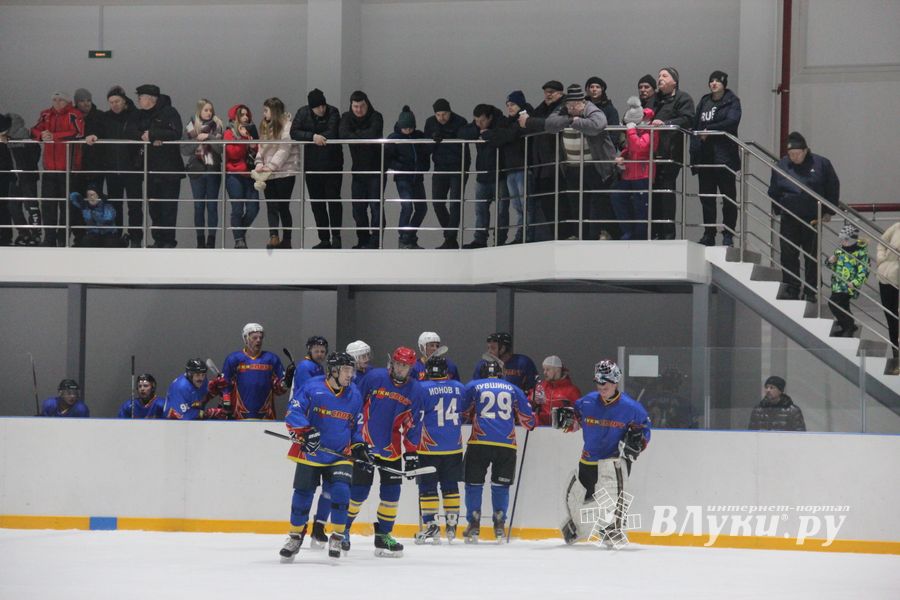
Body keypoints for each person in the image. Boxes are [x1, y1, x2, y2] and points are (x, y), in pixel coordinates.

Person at [279, 351, 366, 562]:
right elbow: (293, 412)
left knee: (341, 491)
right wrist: (306, 431)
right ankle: (294, 536)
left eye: (351, 370)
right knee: (302, 495)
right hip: (311, 452)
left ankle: (337, 535)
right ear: (333, 370)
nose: (350, 375)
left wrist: (359, 445)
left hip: (340, 454)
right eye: (346, 370)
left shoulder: (354, 394)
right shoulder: (312, 387)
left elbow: (357, 425)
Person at [554, 360, 650, 547]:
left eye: (604, 383)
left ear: (615, 382)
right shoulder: (586, 402)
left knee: (613, 498)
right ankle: (578, 527)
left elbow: (645, 430)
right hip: (588, 459)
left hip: (614, 463)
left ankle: (613, 530)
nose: (601, 387)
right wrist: (566, 424)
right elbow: (575, 424)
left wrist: (638, 441)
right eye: (598, 382)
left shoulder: (632, 408)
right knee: (578, 497)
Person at [343, 346, 423, 557]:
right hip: (365, 445)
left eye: (404, 365)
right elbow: (355, 404)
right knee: (358, 492)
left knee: (391, 494)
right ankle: (343, 530)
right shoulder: (374, 377)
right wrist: (353, 438)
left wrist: (412, 453)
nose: (400, 368)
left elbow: (412, 423)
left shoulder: (416, 390)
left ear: (410, 367)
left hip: (392, 450)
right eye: (398, 363)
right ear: (392, 362)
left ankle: (383, 536)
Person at [461, 358, 534, 543]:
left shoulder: (474, 385)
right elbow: (528, 420)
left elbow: (462, 412)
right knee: (501, 486)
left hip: (479, 442)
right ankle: (500, 523)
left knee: (473, 484)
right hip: (506, 445)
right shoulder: (513, 388)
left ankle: (474, 522)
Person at [769, 131, 840, 301]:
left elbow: (833, 186)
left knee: (811, 256)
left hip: (812, 218)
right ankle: (791, 287)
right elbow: (774, 190)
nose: (794, 157)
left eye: (797, 154)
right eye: (791, 154)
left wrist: (829, 211)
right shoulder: (782, 166)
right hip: (789, 217)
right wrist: (778, 209)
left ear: (805, 150)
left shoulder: (822, 164)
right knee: (788, 254)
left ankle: (811, 290)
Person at [542, 83, 618, 240]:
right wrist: (571, 119)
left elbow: (597, 124)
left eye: (575, 105)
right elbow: (549, 124)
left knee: (597, 203)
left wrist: (576, 122)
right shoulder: (564, 110)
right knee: (576, 204)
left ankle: (598, 234)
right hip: (573, 167)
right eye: (569, 104)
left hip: (594, 166)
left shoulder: (592, 109)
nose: (571, 108)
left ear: (583, 103)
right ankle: (581, 235)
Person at [410, 356, 466, 544]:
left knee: (428, 486)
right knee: (451, 486)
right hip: (454, 446)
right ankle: (452, 523)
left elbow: (414, 414)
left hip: (428, 447)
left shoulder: (421, 388)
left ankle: (431, 525)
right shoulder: (459, 387)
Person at [691, 70, 742, 247]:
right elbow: (695, 125)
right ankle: (709, 233)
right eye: (711, 81)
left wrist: (710, 131)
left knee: (728, 198)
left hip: (724, 157)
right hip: (705, 157)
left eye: (717, 81)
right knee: (707, 198)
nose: (714, 84)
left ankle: (728, 234)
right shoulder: (705, 101)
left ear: (724, 84)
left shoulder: (732, 101)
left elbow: (731, 122)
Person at [290, 89, 343, 249]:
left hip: (332, 165)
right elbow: (294, 132)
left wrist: (314, 136)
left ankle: (336, 236)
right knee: (317, 204)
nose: (321, 109)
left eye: (323, 105)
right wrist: (313, 137)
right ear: (311, 107)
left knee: (333, 200)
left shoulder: (333, 111)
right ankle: (324, 238)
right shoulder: (302, 112)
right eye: (317, 107)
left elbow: (333, 132)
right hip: (312, 167)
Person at [31, 91, 85, 247]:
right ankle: (49, 239)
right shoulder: (46, 114)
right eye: (54, 99)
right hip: (49, 168)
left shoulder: (74, 114)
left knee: (66, 206)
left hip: (68, 169)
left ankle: (62, 239)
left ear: (66, 101)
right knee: (48, 205)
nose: (56, 102)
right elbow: (34, 129)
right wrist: (42, 135)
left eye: (60, 99)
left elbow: (78, 132)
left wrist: (54, 136)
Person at [92, 86, 143, 247]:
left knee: (135, 205)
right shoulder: (105, 118)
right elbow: (97, 131)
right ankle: (116, 236)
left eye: (117, 101)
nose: (114, 105)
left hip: (132, 168)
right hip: (112, 168)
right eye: (111, 102)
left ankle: (136, 238)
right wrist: (93, 135)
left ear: (124, 101)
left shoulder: (135, 116)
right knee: (115, 205)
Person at [649, 67, 695, 240]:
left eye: (664, 75)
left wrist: (666, 123)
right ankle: (654, 232)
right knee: (653, 193)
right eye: (658, 75)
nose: (659, 78)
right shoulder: (654, 100)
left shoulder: (683, 98)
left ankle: (668, 234)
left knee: (666, 192)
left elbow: (689, 119)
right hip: (652, 153)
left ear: (674, 81)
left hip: (670, 153)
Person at [481, 92, 533, 244]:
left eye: (513, 105)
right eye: (508, 105)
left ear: (520, 105)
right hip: (511, 168)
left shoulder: (525, 118)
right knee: (518, 206)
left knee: (525, 205)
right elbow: (503, 136)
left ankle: (525, 236)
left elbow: (511, 135)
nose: (510, 108)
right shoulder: (508, 121)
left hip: (523, 167)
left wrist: (492, 135)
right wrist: (496, 135)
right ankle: (520, 235)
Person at [135, 84, 183, 248]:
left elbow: (177, 133)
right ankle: (158, 240)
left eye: (140, 97)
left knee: (168, 207)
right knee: (153, 207)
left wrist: (154, 134)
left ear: (150, 98)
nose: (139, 100)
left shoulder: (170, 112)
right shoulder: (141, 115)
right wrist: (145, 136)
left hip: (169, 170)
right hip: (150, 169)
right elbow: (132, 131)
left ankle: (168, 241)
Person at [520, 80, 565, 241]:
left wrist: (529, 122)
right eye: (546, 91)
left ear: (560, 92)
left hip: (556, 164)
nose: (548, 94)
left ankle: (559, 235)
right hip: (541, 164)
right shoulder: (542, 107)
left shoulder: (563, 107)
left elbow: (550, 124)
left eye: (552, 91)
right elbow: (530, 124)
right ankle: (546, 236)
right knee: (544, 203)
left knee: (557, 203)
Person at [339, 90, 384, 249]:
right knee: (358, 208)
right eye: (355, 106)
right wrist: (361, 137)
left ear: (367, 104)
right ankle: (363, 240)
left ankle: (376, 240)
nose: (358, 110)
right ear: (351, 106)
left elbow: (372, 134)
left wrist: (355, 135)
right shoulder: (346, 117)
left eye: (362, 106)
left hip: (376, 170)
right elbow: (343, 134)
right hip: (358, 171)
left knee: (375, 206)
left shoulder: (376, 116)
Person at [424, 99, 470, 250]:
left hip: (457, 167)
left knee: (455, 203)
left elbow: (464, 147)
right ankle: (450, 237)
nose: (441, 118)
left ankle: (450, 238)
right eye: (438, 115)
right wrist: (434, 139)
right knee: (437, 203)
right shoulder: (430, 123)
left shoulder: (460, 122)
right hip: (440, 167)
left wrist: (445, 137)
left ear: (450, 112)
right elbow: (426, 146)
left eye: (444, 114)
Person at [217, 322, 289, 420]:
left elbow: (280, 390)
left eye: (260, 337)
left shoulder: (272, 359)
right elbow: (225, 385)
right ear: (246, 338)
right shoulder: (233, 359)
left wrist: (287, 381)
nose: (258, 340)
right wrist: (226, 404)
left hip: (266, 415)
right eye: (254, 338)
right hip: (239, 415)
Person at [460, 103, 507, 248]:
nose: (479, 124)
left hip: (500, 175)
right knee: (480, 210)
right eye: (476, 121)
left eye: (482, 121)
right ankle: (479, 240)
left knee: (502, 211)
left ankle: (500, 240)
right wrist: (478, 130)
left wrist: (488, 134)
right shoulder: (476, 127)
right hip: (482, 175)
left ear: (490, 118)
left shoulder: (502, 123)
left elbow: (505, 136)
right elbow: (462, 133)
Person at [256, 97, 299, 249]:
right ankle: (273, 236)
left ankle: (287, 239)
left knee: (283, 206)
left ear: (274, 111)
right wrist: (259, 163)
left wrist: (271, 166)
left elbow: (284, 148)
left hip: (285, 172)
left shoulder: (287, 126)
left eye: (266, 110)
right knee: (271, 205)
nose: (264, 114)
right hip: (268, 172)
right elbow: (260, 147)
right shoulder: (265, 126)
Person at [613, 99, 657, 240]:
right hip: (629, 173)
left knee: (641, 207)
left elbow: (641, 147)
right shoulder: (636, 128)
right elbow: (630, 148)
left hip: (643, 174)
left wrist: (631, 131)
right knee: (617, 197)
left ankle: (640, 236)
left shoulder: (651, 129)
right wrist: (623, 156)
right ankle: (628, 231)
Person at [385, 106, 428, 249]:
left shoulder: (419, 136)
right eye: (405, 128)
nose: (408, 131)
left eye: (410, 128)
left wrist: (424, 166)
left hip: (417, 178)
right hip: (403, 178)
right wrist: (399, 166)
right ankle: (404, 237)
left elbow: (425, 152)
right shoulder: (393, 139)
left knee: (422, 208)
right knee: (407, 206)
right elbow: (386, 159)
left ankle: (410, 235)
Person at [182, 98, 224, 249]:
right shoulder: (191, 126)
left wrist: (209, 137)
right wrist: (196, 140)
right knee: (199, 206)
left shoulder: (218, 125)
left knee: (212, 206)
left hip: (213, 170)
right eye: (206, 110)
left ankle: (211, 240)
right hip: (196, 170)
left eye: (211, 110)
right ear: (199, 110)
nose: (209, 113)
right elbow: (184, 150)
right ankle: (200, 240)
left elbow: (220, 149)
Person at [824, 224, 870, 338]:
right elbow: (833, 268)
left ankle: (848, 326)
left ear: (852, 240)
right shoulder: (839, 252)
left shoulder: (861, 254)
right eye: (842, 239)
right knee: (843, 306)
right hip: (837, 284)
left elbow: (863, 272)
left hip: (848, 286)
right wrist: (830, 261)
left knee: (834, 303)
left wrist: (854, 283)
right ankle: (848, 327)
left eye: (845, 239)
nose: (842, 242)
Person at [4, 112, 43, 246]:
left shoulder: (26, 136)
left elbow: (35, 155)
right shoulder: (5, 139)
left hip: (27, 176)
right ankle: (24, 233)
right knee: (13, 206)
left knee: (31, 206)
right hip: (14, 177)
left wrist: (27, 169)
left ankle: (36, 234)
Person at [223, 104, 258, 249]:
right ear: (235, 117)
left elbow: (258, 150)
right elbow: (233, 154)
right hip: (234, 174)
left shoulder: (251, 132)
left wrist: (250, 141)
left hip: (250, 174)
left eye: (247, 115)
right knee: (237, 208)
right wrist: (244, 140)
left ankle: (240, 232)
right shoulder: (229, 133)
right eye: (242, 115)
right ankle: (239, 240)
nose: (246, 117)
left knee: (254, 208)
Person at [471, 332, 537, 393]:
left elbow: (534, 390)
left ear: (503, 348)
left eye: (493, 348)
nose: (489, 352)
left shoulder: (523, 363)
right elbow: (474, 389)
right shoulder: (482, 365)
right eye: (488, 348)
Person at [529, 355, 581, 427]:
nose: (544, 372)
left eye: (548, 369)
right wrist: (532, 400)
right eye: (544, 369)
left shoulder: (572, 391)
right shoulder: (541, 387)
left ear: (557, 370)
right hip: (541, 431)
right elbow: (525, 405)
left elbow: (580, 414)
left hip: (563, 432)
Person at [876, 221, 900, 374]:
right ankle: (897, 359)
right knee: (892, 320)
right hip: (887, 276)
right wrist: (882, 259)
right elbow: (881, 243)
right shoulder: (897, 226)